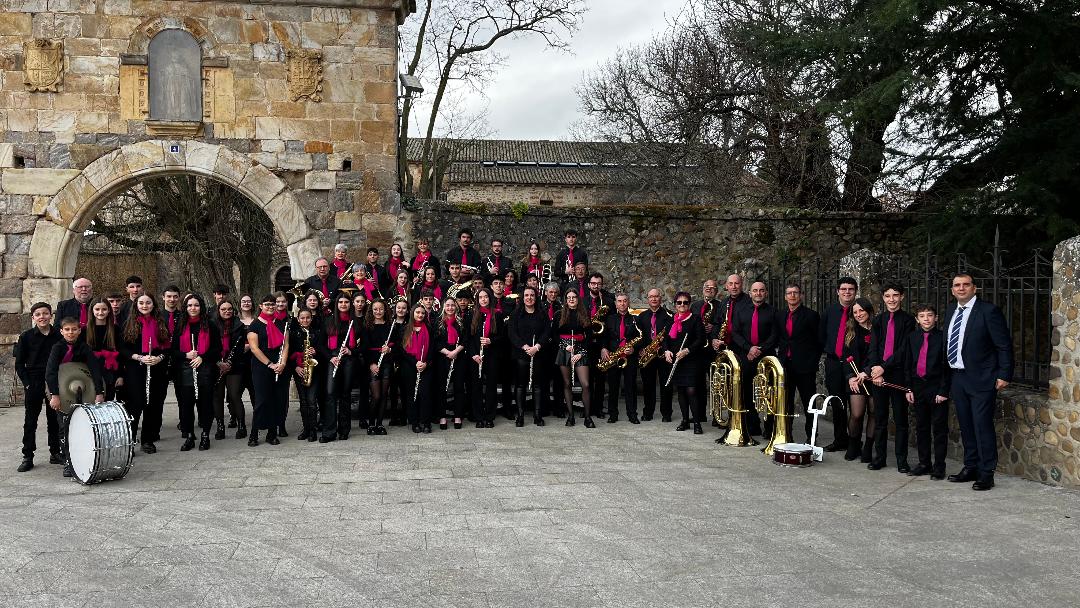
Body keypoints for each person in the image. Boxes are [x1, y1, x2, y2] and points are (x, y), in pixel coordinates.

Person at [944, 274, 1013, 491]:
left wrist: (1004, 374)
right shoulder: (950, 311)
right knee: (965, 425)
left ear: (975, 288)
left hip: (982, 378)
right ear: (952, 290)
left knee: (982, 426)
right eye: (957, 285)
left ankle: (986, 473)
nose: (961, 288)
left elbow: (1003, 344)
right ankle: (970, 466)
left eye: (966, 285)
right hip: (958, 377)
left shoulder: (988, 311)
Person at [46, 317, 105, 477]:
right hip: (62, 393)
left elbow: (94, 370)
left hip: (83, 391)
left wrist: (99, 393)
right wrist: (55, 395)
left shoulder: (84, 348)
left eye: (74, 329)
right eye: (67, 330)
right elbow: (50, 372)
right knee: (64, 429)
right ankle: (68, 461)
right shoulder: (57, 348)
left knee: (84, 427)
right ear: (61, 331)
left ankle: (84, 458)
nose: (70, 332)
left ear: (79, 331)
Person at [866, 284, 916, 471]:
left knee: (901, 420)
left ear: (902, 297)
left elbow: (904, 350)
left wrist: (883, 368)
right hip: (878, 376)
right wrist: (874, 370)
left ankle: (902, 460)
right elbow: (874, 348)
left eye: (895, 295)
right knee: (880, 419)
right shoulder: (878, 320)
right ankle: (880, 458)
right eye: (888, 296)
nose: (892, 299)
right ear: (883, 298)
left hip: (897, 375)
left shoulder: (909, 321)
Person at [904, 305, 952, 479]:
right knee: (921, 427)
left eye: (930, 315)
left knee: (939, 429)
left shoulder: (943, 338)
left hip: (937, 390)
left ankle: (939, 466)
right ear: (917, 319)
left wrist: (944, 390)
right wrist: (908, 387)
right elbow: (909, 364)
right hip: (918, 389)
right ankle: (924, 463)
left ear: (936, 318)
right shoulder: (912, 338)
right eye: (922, 316)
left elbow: (947, 366)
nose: (926, 319)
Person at [120, 293, 171, 454]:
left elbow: (169, 347)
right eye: (141, 303)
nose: (144, 305)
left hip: (157, 368)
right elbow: (123, 349)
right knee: (135, 405)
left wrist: (159, 358)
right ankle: (130, 442)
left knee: (152, 405)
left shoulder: (160, 323)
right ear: (136, 305)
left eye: (148, 302)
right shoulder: (128, 323)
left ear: (153, 305)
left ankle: (147, 440)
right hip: (136, 369)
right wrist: (140, 357)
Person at [14, 303, 62, 472]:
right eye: (38, 314)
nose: (42, 317)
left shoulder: (59, 335)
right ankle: (28, 456)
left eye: (45, 313)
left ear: (51, 316)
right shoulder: (26, 336)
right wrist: (27, 383)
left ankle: (55, 453)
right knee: (30, 421)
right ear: (33, 317)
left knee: (54, 419)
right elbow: (19, 364)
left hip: (53, 381)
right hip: (34, 380)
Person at [172, 294, 221, 451]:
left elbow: (217, 349)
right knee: (186, 405)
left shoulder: (210, 325)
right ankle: (189, 436)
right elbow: (172, 350)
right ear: (185, 308)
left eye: (196, 305)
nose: (193, 308)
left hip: (205, 369)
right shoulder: (180, 325)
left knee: (205, 404)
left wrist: (202, 357)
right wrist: (186, 355)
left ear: (201, 307)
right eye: (189, 306)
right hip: (185, 371)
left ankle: (205, 435)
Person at [775, 284, 822, 443]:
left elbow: (818, 342)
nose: (792, 295)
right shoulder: (780, 315)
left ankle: (812, 436)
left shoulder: (811, 315)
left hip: (805, 367)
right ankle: (786, 434)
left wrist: (812, 362)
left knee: (809, 403)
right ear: (785, 296)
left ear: (801, 295)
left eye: (795, 293)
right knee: (786, 402)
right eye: (789, 293)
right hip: (785, 366)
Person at [730, 281, 778, 437]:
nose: (758, 293)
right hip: (746, 356)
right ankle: (753, 425)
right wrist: (748, 348)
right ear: (750, 293)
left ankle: (769, 427)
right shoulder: (741, 311)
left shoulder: (773, 312)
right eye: (755, 291)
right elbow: (735, 333)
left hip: (767, 357)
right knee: (747, 391)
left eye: (761, 290)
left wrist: (760, 349)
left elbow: (775, 334)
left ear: (766, 293)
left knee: (770, 392)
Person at [819, 277, 858, 452]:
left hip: (853, 365)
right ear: (838, 291)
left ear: (855, 291)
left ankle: (855, 441)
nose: (847, 292)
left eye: (851, 289)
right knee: (837, 403)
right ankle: (840, 439)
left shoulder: (859, 311)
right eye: (844, 289)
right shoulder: (830, 311)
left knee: (855, 405)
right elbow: (821, 334)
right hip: (834, 362)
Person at [247, 295, 288, 447]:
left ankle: (272, 433)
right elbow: (254, 348)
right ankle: (254, 433)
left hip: (279, 366)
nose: (270, 307)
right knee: (262, 401)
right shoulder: (255, 325)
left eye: (273, 304)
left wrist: (282, 363)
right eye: (267, 304)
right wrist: (270, 364)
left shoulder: (282, 324)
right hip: (261, 367)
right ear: (260, 306)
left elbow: (286, 345)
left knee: (276, 400)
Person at [664, 292, 706, 434]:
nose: (682, 305)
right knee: (681, 390)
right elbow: (666, 340)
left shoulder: (695, 319)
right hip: (677, 360)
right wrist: (666, 351)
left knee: (691, 390)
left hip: (691, 360)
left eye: (685, 302)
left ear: (689, 304)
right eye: (679, 302)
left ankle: (697, 422)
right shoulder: (671, 321)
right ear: (675, 304)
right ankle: (685, 420)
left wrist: (687, 350)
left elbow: (701, 339)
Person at [508, 286, 550, 426]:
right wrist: (525, 347)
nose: (529, 298)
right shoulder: (515, 314)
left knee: (537, 385)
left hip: (538, 353)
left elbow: (546, 332)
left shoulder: (542, 314)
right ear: (523, 297)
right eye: (526, 295)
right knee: (520, 385)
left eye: (532, 295)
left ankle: (537, 415)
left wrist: (537, 346)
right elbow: (512, 334)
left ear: (536, 297)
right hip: (521, 353)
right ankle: (520, 415)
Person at [321, 293, 358, 441]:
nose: (343, 304)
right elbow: (321, 344)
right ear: (336, 304)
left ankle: (344, 430)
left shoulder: (355, 322)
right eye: (340, 302)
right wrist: (331, 357)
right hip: (333, 359)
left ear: (350, 304)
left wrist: (351, 350)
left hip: (348, 360)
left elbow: (365, 345)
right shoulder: (329, 321)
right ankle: (329, 432)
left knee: (345, 394)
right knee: (330, 393)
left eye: (346, 302)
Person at [602, 292, 643, 424]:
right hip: (614, 356)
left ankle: (632, 414)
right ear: (616, 303)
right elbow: (605, 337)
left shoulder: (635, 319)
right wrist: (604, 348)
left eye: (625, 301)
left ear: (628, 302)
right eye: (619, 301)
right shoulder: (609, 319)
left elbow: (641, 339)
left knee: (630, 386)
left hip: (629, 358)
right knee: (613, 387)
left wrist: (634, 349)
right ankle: (613, 414)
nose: (622, 303)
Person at [844, 298, 876, 463]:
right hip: (855, 378)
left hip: (874, 376)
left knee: (873, 413)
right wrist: (850, 378)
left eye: (861, 311)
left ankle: (868, 447)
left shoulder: (878, 329)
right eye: (855, 312)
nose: (858, 315)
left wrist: (868, 371)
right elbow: (845, 357)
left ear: (868, 311)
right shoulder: (851, 331)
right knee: (856, 414)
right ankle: (853, 444)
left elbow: (878, 354)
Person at [556, 289, 594, 427]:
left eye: (574, 297)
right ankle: (571, 416)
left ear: (578, 299)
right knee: (567, 384)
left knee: (585, 384)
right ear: (565, 300)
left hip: (581, 351)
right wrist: (564, 346)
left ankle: (588, 417)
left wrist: (580, 353)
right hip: (564, 350)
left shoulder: (584, 315)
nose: (571, 299)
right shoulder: (559, 315)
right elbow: (554, 336)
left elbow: (589, 338)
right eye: (569, 297)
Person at [636, 288, 673, 422]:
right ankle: (648, 412)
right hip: (648, 355)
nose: (654, 299)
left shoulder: (669, 315)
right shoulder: (642, 316)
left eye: (656, 296)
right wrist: (641, 349)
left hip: (663, 354)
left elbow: (671, 336)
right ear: (647, 299)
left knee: (666, 385)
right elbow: (638, 336)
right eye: (651, 297)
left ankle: (666, 413)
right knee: (648, 385)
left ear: (660, 298)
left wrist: (665, 347)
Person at [469, 287, 505, 427]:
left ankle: (489, 416)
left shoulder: (497, 315)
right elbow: (469, 338)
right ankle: (478, 417)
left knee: (491, 386)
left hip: (492, 355)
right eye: (481, 297)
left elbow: (503, 336)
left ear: (490, 298)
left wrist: (491, 341)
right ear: (477, 300)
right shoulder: (472, 315)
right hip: (476, 356)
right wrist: (474, 354)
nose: (483, 299)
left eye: (486, 297)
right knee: (476, 387)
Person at [214, 299, 249, 440]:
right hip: (217, 365)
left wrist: (229, 363)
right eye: (223, 309)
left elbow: (240, 349)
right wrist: (219, 363)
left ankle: (242, 426)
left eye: (229, 309)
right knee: (217, 397)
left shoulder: (239, 326)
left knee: (234, 395)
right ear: (219, 311)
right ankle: (220, 426)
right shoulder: (212, 325)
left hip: (235, 365)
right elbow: (210, 346)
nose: (227, 311)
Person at [362, 298, 396, 435]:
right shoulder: (367, 327)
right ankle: (371, 424)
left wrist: (389, 350)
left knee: (383, 395)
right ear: (371, 310)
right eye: (375, 309)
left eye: (381, 309)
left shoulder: (390, 326)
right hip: (373, 363)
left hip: (386, 362)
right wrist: (371, 364)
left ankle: (380, 424)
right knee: (376, 395)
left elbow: (397, 346)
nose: (378, 311)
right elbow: (364, 348)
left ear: (385, 310)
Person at [434, 296, 468, 430]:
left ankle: (458, 415)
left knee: (459, 387)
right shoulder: (438, 322)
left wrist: (455, 352)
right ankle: (442, 416)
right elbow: (436, 341)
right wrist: (448, 353)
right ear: (443, 307)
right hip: (442, 358)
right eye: (447, 305)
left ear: (456, 307)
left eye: (453, 305)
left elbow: (465, 340)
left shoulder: (461, 322)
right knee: (442, 388)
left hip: (458, 357)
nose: (450, 308)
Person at [291, 308, 323, 442]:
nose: (305, 320)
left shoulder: (317, 333)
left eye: (308, 318)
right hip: (300, 371)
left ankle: (313, 430)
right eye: (302, 318)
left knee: (311, 402)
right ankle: (306, 429)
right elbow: (289, 354)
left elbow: (323, 352)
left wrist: (316, 351)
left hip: (313, 372)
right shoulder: (293, 334)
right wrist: (296, 367)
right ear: (298, 320)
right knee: (303, 403)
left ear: (312, 318)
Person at [401, 304, 434, 433]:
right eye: (417, 312)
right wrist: (415, 362)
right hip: (410, 366)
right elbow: (402, 350)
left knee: (425, 393)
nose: (420, 315)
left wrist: (425, 363)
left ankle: (426, 422)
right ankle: (414, 422)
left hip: (426, 366)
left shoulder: (429, 329)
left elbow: (432, 348)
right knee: (412, 395)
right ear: (412, 313)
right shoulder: (405, 329)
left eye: (422, 313)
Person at [84, 298, 123, 402]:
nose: (100, 312)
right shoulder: (84, 330)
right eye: (97, 309)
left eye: (104, 309)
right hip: (90, 371)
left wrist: (120, 375)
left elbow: (120, 354)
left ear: (109, 310)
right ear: (92, 310)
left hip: (110, 371)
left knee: (108, 400)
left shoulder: (115, 329)